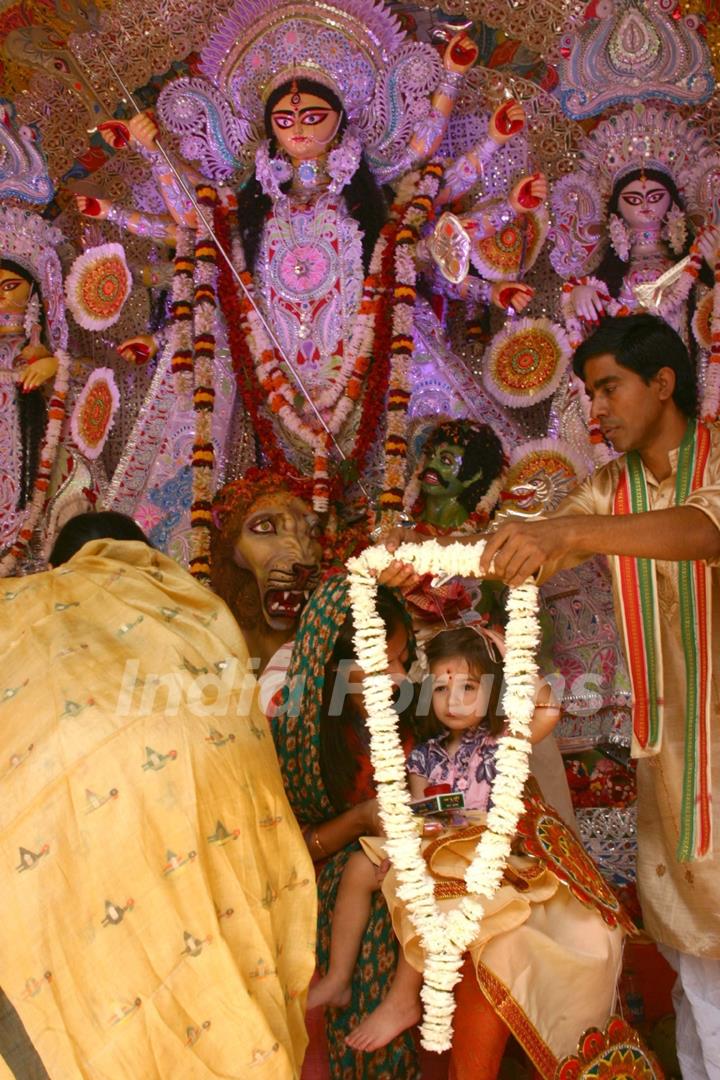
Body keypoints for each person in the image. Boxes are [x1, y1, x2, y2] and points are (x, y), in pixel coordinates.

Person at [479, 313, 720, 1079]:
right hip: (675, 757)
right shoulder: (607, 489)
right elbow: (546, 532)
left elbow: (703, 531)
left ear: (662, 383)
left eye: (609, 387)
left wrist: (574, 539)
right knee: (695, 962)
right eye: (588, 394)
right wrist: (447, 558)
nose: (598, 409)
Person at [0, 512, 315, 1078]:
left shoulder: (19, 604)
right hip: (194, 810)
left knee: (81, 977)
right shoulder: (183, 601)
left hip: (45, 830)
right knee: (209, 966)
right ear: (143, 553)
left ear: (59, 564)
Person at [306, 624, 564, 1054]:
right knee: (359, 868)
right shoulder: (425, 753)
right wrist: (406, 848)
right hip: (432, 842)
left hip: (480, 851)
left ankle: (403, 998)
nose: (454, 700)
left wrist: (510, 653)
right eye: (442, 688)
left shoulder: (502, 745)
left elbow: (549, 710)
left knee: (425, 889)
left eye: (468, 687)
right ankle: (337, 979)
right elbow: (417, 808)